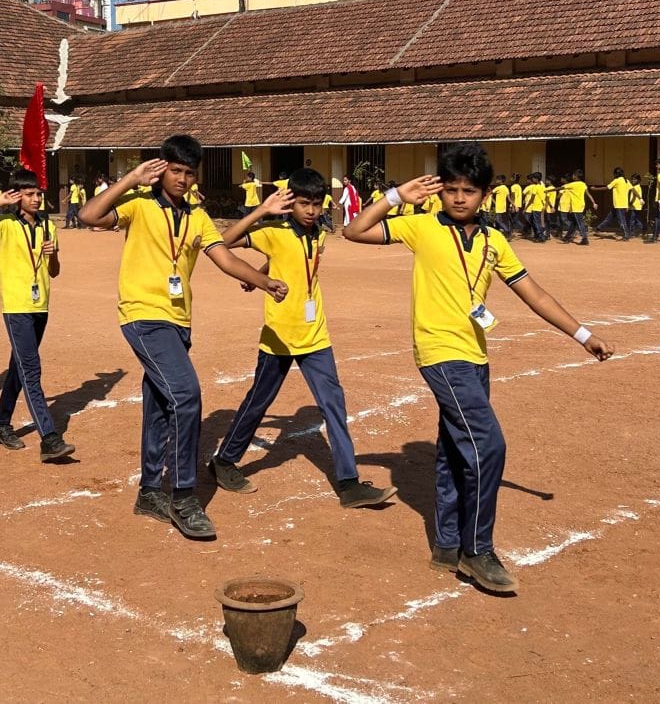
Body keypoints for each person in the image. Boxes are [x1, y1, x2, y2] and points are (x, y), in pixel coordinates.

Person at [344, 143, 614, 594]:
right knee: (488, 445)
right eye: (450, 189)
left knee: (453, 449)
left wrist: (583, 335)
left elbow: (535, 293)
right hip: (439, 353)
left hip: (476, 355)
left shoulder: (494, 241)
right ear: (441, 193)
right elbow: (353, 230)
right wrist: (396, 196)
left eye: (469, 190)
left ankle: (447, 544)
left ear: (485, 194)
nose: (459, 198)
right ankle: (477, 549)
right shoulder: (421, 227)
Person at [77, 135, 288, 540]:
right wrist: (131, 179)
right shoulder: (137, 205)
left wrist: (264, 281)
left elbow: (223, 256)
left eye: (190, 173)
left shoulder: (197, 215)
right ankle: (185, 495)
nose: (183, 179)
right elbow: (89, 215)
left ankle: (149, 491)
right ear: (161, 169)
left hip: (178, 320)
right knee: (187, 395)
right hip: (142, 316)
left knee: (160, 404)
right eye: (176, 171)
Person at [211, 169, 397, 508]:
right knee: (258, 403)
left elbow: (286, 263)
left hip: (315, 335)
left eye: (315, 204)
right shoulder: (273, 231)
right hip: (280, 336)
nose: (310, 211)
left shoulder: (319, 235)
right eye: (303, 204)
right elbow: (224, 243)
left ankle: (349, 483)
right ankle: (224, 461)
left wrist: (262, 275)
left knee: (334, 405)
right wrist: (260, 212)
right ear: (290, 203)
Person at [0, 169, 75, 462]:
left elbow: (54, 272)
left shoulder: (49, 227)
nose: (36, 199)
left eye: (38, 193)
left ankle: (0, 425)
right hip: (16, 307)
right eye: (30, 194)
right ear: (17, 197)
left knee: (19, 367)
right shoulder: (5, 224)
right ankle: (49, 438)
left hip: (41, 306)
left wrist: (53, 255)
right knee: (31, 370)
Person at [592, 168, 632, 240]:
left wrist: (595, 189)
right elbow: (631, 191)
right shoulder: (627, 181)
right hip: (620, 204)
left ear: (616, 174)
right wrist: (628, 204)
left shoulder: (616, 181)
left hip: (619, 205)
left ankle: (626, 235)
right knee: (609, 218)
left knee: (622, 221)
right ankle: (598, 228)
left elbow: (607, 188)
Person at [561, 169, 596, 245]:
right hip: (581, 205)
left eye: (573, 175)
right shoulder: (583, 184)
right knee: (574, 223)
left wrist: (548, 191)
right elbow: (588, 194)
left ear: (576, 176)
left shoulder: (572, 184)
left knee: (580, 223)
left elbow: (560, 188)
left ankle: (585, 239)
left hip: (576, 206)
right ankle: (567, 237)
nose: (572, 176)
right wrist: (594, 202)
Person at [522, 173, 548, 242]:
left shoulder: (535, 187)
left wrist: (526, 207)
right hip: (541, 206)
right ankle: (540, 235)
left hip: (536, 207)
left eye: (533, 178)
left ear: (536, 179)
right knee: (538, 222)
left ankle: (540, 236)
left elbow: (532, 199)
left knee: (537, 223)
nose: (532, 179)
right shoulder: (543, 186)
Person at [629, 173, 647, 238]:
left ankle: (632, 233)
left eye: (635, 179)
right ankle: (642, 230)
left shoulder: (635, 187)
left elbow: (634, 196)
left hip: (634, 206)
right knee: (637, 219)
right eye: (632, 179)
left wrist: (630, 203)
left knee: (632, 220)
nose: (633, 181)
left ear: (638, 180)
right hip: (637, 206)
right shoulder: (638, 186)